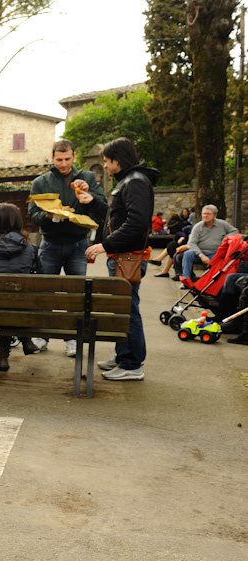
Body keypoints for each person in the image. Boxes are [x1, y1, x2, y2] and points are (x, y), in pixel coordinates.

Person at [84, 137, 159, 382]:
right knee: (123, 310)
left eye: (106, 161)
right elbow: (114, 216)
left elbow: (136, 224)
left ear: (118, 160)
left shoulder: (135, 182)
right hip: (122, 256)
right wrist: (93, 202)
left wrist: (104, 245)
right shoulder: (131, 180)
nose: (104, 166)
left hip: (127, 257)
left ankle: (132, 364)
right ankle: (123, 356)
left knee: (128, 311)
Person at [29, 139, 107, 357]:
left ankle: (72, 338)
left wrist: (89, 195)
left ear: (74, 156)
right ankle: (42, 335)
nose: (63, 164)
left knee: (76, 294)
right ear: (52, 158)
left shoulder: (88, 177)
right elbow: (31, 215)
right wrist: (47, 214)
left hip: (77, 243)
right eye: (59, 159)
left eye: (67, 159)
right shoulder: (40, 182)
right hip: (50, 243)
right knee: (46, 293)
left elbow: (101, 208)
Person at [0, 203, 40, 370]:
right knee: (18, 302)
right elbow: (42, 278)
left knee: (2, 303)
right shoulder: (31, 249)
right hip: (24, 309)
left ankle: (3, 357)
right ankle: (25, 340)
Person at [173, 204, 240, 281]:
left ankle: (213, 281)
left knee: (223, 259)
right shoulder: (198, 227)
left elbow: (235, 231)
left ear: (215, 215)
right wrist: (201, 255)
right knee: (187, 254)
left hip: (216, 253)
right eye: (204, 214)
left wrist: (227, 236)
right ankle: (186, 279)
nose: (205, 215)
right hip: (200, 252)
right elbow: (191, 243)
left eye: (208, 214)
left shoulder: (222, 224)